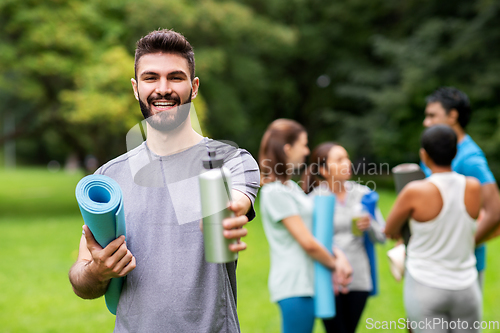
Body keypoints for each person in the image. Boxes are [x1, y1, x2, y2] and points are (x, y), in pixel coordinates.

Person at [68, 29, 260, 332]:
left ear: (194, 87)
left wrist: (228, 212)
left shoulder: (231, 161)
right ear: (135, 88)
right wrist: (99, 271)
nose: (163, 88)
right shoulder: (107, 179)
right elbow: (81, 278)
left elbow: (236, 201)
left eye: (175, 77)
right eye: (150, 78)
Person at [258, 119, 353, 333]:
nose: (307, 151)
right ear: (288, 149)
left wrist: (338, 254)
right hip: (294, 285)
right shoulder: (274, 192)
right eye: (304, 144)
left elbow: (312, 232)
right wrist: (335, 264)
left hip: (306, 283)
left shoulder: (290, 187)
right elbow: (308, 243)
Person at [385, 125, 482, 333]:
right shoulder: (473, 187)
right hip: (466, 286)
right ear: (455, 152)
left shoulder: (415, 191)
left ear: (424, 155)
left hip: (425, 285)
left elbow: (389, 229)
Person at [421, 87, 500, 288]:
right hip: (429, 262)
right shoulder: (432, 151)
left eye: (432, 116)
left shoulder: (470, 158)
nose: (426, 122)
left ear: (452, 116)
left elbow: (495, 212)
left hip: (462, 268)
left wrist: (462, 246)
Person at [303, 142, 385, 333]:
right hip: (328, 279)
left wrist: (369, 223)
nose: (347, 163)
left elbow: (381, 236)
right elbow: (310, 240)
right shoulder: (314, 201)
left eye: (347, 158)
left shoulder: (364, 194)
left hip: (359, 277)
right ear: (323, 169)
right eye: (339, 159)